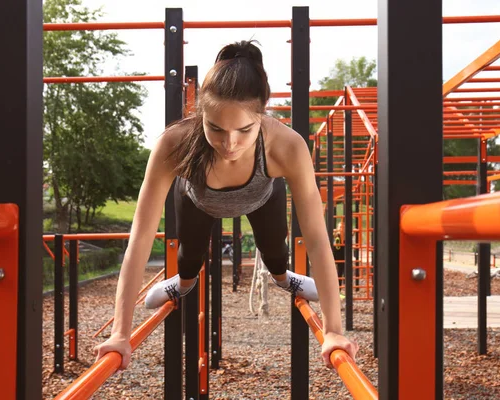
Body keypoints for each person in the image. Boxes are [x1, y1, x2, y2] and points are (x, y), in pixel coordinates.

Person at [93, 40, 358, 371]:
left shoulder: (286, 146)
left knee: (276, 251)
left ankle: (281, 277)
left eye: (244, 130)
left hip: (262, 196)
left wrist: (333, 329)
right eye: (215, 128)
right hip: (197, 200)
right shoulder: (174, 144)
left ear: (262, 114)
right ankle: (183, 283)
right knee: (188, 260)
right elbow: (140, 238)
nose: (229, 143)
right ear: (201, 112)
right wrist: (120, 331)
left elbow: (318, 240)